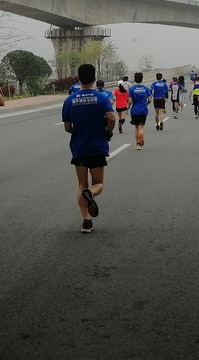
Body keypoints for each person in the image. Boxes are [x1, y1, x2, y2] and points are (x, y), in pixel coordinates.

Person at [63, 63, 116, 234]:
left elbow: (67, 127)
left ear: (78, 79)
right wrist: (108, 130)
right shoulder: (101, 98)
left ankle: (86, 221)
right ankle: (91, 193)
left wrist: (75, 131)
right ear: (94, 79)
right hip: (97, 145)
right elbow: (111, 118)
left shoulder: (70, 100)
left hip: (78, 147)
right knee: (98, 183)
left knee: (81, 184)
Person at [128, 72, 151, 149]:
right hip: (143, 109)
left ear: (134, 79)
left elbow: (130, 101)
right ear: (142, 79)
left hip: (134, 110)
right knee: (141, 125)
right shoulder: (146, 89)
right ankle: (141, 134)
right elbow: (150, 99)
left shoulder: (131, 89)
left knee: (136, 126)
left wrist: (128, 106)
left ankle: (138, 144)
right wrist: (146, 104)